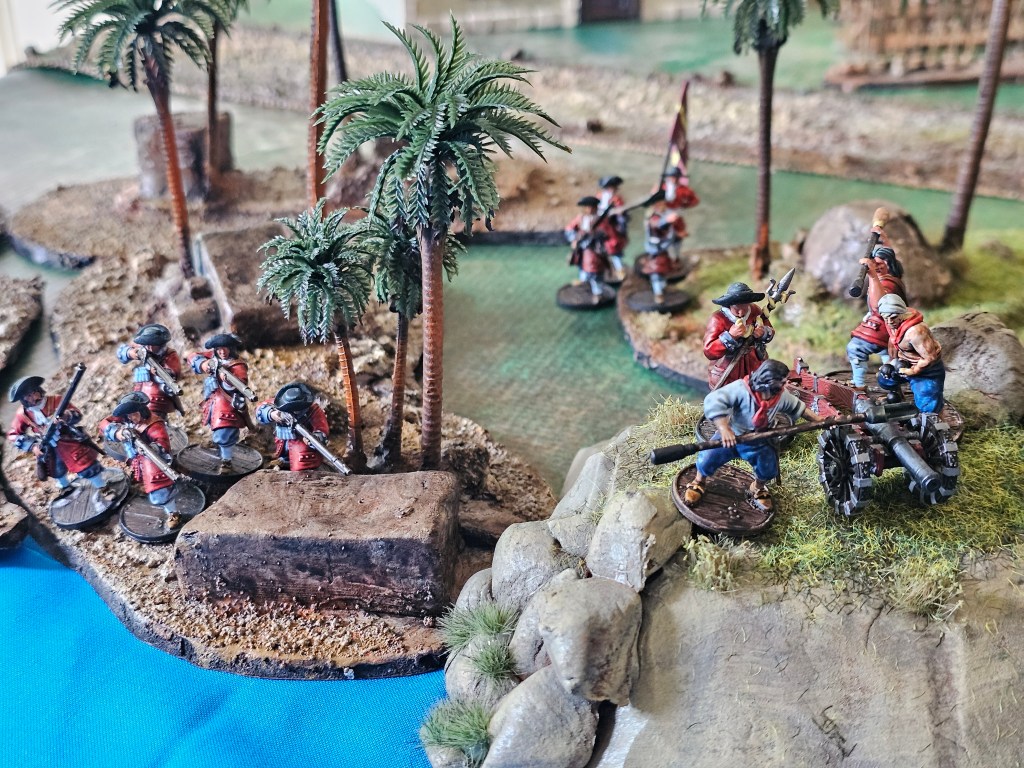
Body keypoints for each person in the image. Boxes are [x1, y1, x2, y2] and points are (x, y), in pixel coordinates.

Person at [682, 360, 823, 512]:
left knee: (768, 468)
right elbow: (714, 400)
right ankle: (699, 481)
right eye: (782, 381)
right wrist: (723, 428)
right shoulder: (741, 389)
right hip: (733, 436)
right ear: (768, 380)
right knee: (707, 458)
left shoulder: (780, 395)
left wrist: (820, 421)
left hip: (758, 440)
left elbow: (799, 408)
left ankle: (758, 488)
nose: (784, 385)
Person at [7, 375, 115, 502]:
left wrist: (66, 416)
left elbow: (77, 414)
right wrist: (33, 446)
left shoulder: (56, 401)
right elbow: (13, 435)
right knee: (56, 469)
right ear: (23, 399)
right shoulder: (23, 415)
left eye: (35, 392)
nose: (34, 397)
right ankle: (65, 487)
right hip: (47, 447)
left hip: (68, 440)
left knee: (85, 465)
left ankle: (103, 487)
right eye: (28, 396)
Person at [102, 393, 181, 528]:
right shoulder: (126, 419)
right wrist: (118, 432)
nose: (132, 418)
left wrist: (150, 448)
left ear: (142, 411)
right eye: (129, 415)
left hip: (150, 459)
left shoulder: (154, 424)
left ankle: (173, 512)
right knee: (139, 478)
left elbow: (162, 443)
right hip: (135, 458)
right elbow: (104, 424)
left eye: (135, 414)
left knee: (159, 489)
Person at [188, 333, 251, 473]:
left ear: (231, 348)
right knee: (214, 426)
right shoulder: (213, 357)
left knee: (225, 431)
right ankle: (219, 447)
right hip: (213, 401)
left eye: (225, 348)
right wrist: (203, 364)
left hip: (227, 404)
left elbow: (241, 383)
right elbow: (192, 356)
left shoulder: (238, 365)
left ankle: (226, 461)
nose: (222, 352)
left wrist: (227, 381)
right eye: (219, 349)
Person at [847, 246, 907, 388]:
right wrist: (883, 238)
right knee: (888, 355)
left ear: (889, 264)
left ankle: (859, 384)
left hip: (887, 324)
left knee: (855, 347)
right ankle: (892, 383)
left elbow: (878, 305)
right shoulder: (891, 278)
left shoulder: (888, 283)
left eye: (880, 264)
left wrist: (872, 275)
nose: (877, 266)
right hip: (884, 323)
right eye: (874, 263)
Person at [876, 294, 945, 414]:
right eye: (885, 318)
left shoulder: (916, 332)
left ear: (902, 314)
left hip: (926, 371)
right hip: (903, 364)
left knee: (928, 404)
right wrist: (891, 362)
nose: (889, 322)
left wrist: (914, 371)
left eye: (893, 317)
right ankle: (897, 396)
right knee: (884, 379)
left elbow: (930, 357)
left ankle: (932, 417)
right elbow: (893, 341)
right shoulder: (892, 324)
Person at [703, 282, 776, 389]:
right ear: (730, 304)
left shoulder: (755, 311)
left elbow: (770, 330)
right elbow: (709, 350)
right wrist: (730, 336)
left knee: (756, 390)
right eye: (737, 309)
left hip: (754, 364)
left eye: (745, 308)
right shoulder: (718, 319)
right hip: (729, 369)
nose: (741, 313)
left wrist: (763, 332)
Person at [256, 382, 331, 471]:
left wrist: (315, 438)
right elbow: (260, 409)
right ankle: (284, 461)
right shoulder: (279, 404)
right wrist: (271, 414)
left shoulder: (313, 410)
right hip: (282, 443)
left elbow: (322, 428)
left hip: (302, 451)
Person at [117, 323, 183, 418]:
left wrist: (157, 373)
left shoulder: (169, 354)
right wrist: (130, 353)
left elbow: (174, 373)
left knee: (156, 418)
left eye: (154, 345)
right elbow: (121, 351)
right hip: (141, 389)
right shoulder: (141, 348)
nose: (150, 348)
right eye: (148, 344)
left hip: (157, 395)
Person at [565, 195, 616, 302]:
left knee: (595, 272)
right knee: (582, 269)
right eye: (587, 207)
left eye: (592, 207)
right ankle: (584, 284)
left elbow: (608, 233)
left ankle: (598, 292)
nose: (589, 209)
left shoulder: (601, 220)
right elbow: (570, 228)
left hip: (595, 250)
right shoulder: (581, 218)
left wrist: (595, 233)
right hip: (582, 250)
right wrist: (575, 239)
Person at [641, 190, 689, 304]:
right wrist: (667, 220)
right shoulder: (653, 217)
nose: (662, 205)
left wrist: (678, 232)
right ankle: (658, 293)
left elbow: (671, 230)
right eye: (659, 203)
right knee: (656, 271)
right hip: (656, 248)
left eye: (662, 202)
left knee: (664, 269)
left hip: (664, 248)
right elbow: (658, 224)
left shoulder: (665, 213)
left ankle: (662, 287)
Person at [597, 175, 629, 281]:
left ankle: (619, 270)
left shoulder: (616, 199)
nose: (613, 190)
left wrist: (619, 214)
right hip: (600, 226)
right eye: (610, 187)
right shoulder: (599, 197)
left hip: (611, 227)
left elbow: (621, 213)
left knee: (614, 248)